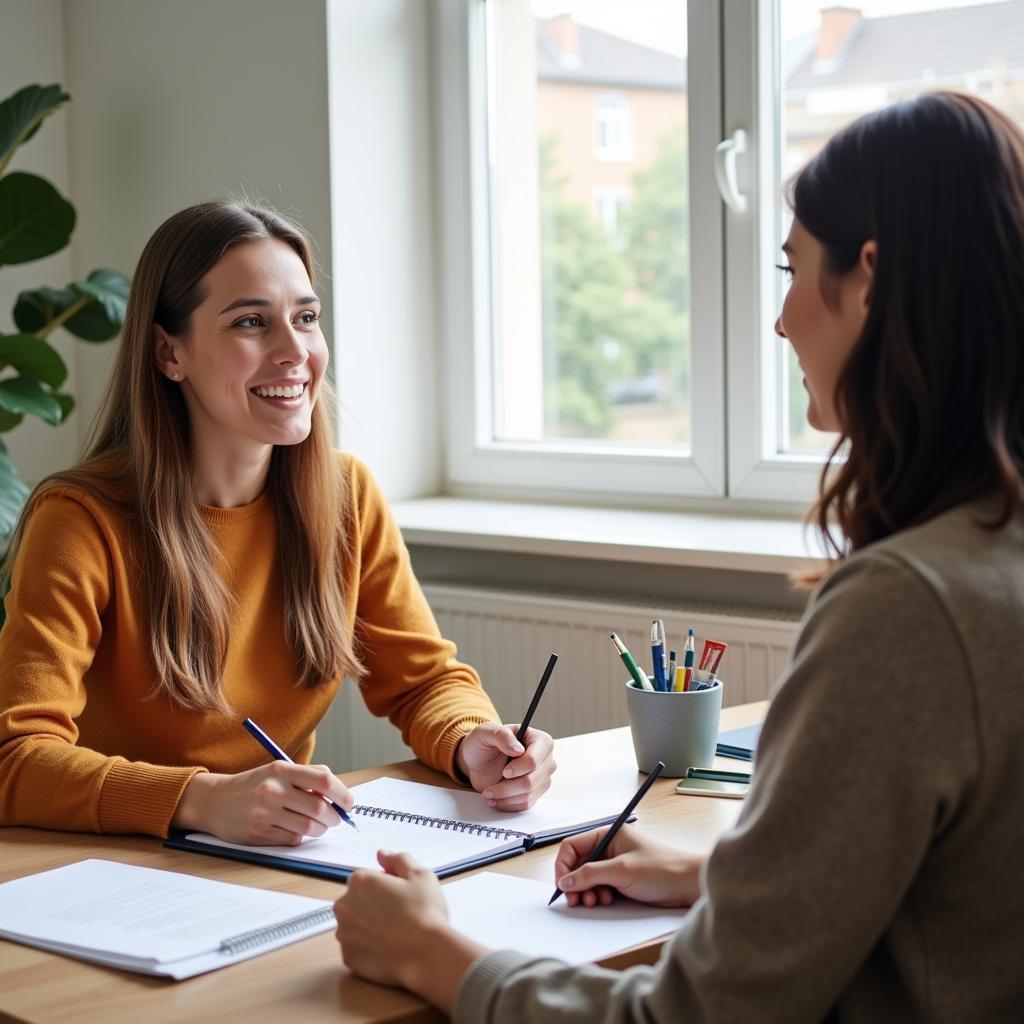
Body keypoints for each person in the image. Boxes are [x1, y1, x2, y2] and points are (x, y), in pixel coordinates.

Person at [332, 91, 1024, 1021]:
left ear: (867, 279)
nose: (780, 321)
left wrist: (433, 954)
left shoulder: (904, 608)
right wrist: (724, 878)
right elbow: (971, 890)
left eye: (791, 269)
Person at [0, 200, 556, 844]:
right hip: (113, 867)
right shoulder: (80, 521)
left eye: (307, 318)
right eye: (250, 323)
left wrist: (470, 742)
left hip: (278, 857)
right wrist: (200, 800)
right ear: (168, 352)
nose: (295, 351)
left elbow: (424, 681)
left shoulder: (346, 496)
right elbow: (15, 756)